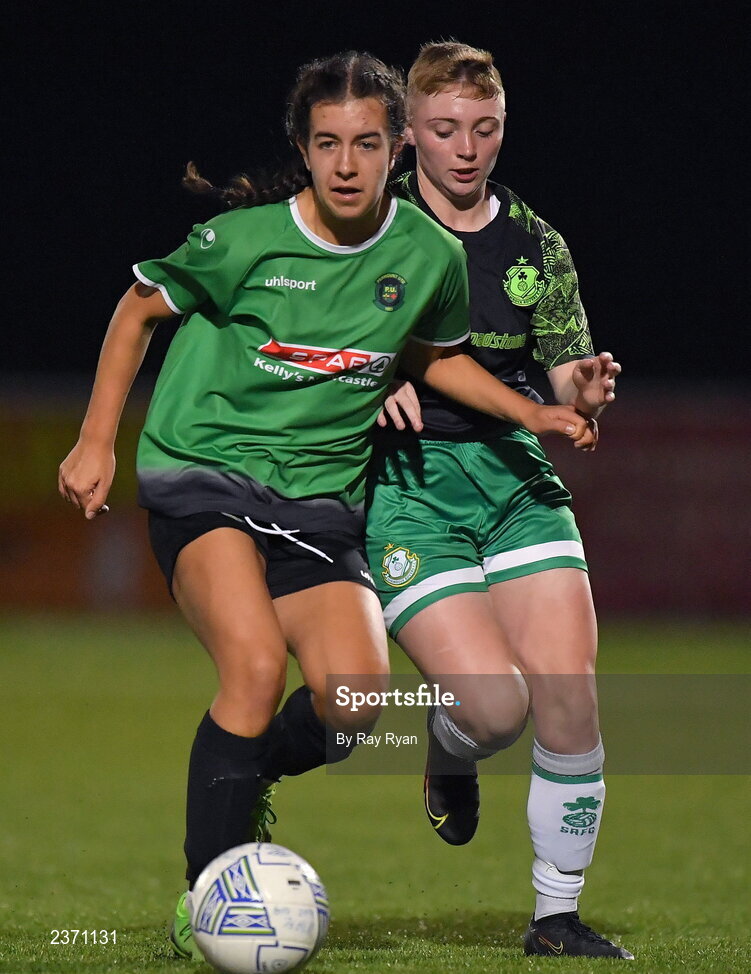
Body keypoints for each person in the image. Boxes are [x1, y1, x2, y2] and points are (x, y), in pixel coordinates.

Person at [58, 50, 594, 960]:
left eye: (366, 144)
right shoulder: (247, 242)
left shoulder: (427, 253)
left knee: (353, 700)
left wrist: (529, 410)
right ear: (303, 151)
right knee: (257, 669)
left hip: (319, 502)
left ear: (395, 151)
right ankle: (208, 896)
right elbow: (138, 310)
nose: (346, 164)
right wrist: (96, 438)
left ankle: (244, 771)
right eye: (327, 144)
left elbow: (431, 354)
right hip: (206, 476)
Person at [366, 41, 632, 959]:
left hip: (514, 479)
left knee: (566, 696)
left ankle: (554, 916)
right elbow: (308, 344)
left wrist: (583, 389)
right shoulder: (365, 230)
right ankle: (449, 749)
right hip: (407, 487)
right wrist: (370, 380)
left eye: (484, 129)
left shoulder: (536, 242)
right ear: (407, 135)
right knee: (493, 711)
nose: (466, 148)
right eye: (444, 130)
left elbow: (561, 366)